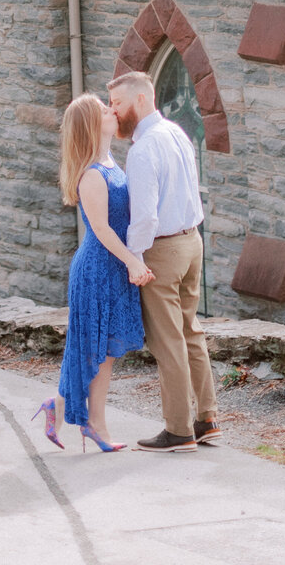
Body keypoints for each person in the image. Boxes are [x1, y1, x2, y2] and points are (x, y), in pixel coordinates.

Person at [108, 69, 221, 453]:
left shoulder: (143, 150)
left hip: (162, 249)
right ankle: (207, 420)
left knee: (168, 340)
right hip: (192, 242)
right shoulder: (176, 132)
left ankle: (178, 430)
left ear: (141, 99)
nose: (114, 112)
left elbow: (144, 217)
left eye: (118, 104)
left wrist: (134, 260)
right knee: (191, 331)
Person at [34, 93, 150, 453]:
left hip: (113, 268)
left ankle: (69, 410)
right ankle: (89, 422)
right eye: (104, 109)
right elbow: (101, 229)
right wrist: (133, 261)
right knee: (94, 351)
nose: (112, 111)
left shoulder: (110, 161)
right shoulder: (92, 175)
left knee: (105, 353)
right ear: (90, 124)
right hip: (98, 269)